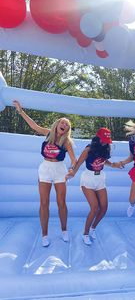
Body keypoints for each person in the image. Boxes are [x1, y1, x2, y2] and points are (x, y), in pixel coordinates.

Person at [13, 100, 77, 247]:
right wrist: (20, 111)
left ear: (67, 129)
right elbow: (33, 126)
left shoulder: (66, 142)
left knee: (61, 203)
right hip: (45, 169)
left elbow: (74, 159)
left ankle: (64, 230)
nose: (64, 124)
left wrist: (72, 169)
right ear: (57, 124)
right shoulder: (48, 134)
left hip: (60, 169)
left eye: (67, 124)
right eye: (62, 122)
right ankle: (44, 234)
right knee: (44, 203)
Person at [66, 127, 121, 246]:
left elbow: (104, 161)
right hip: (88, 178)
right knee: (94, 207)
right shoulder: (89, 148)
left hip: (100, 178)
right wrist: (72, 173)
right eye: (104, 139)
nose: (106, 142)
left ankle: (93, 228)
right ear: (98, 138)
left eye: (107, 140)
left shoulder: (106, 148)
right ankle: (85, 233)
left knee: (104, 207)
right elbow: (79, 162)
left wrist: (112, 165)